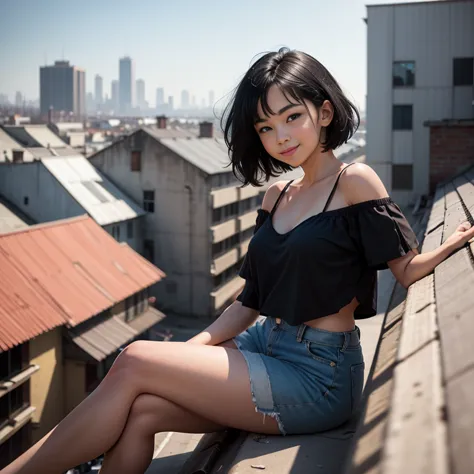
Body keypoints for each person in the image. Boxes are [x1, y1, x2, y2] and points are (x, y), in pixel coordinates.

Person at [3, 48, 473, 474]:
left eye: (292, 117)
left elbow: (406, 270)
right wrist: (195, 349)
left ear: (325, 112)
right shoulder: (277, 194)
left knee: (135, 356)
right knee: (142, 411)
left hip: (319, 375)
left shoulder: (355, 181)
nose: (280, 137)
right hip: (262, 343)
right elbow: (249, 301)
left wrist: (449, 245)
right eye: (266, 128)